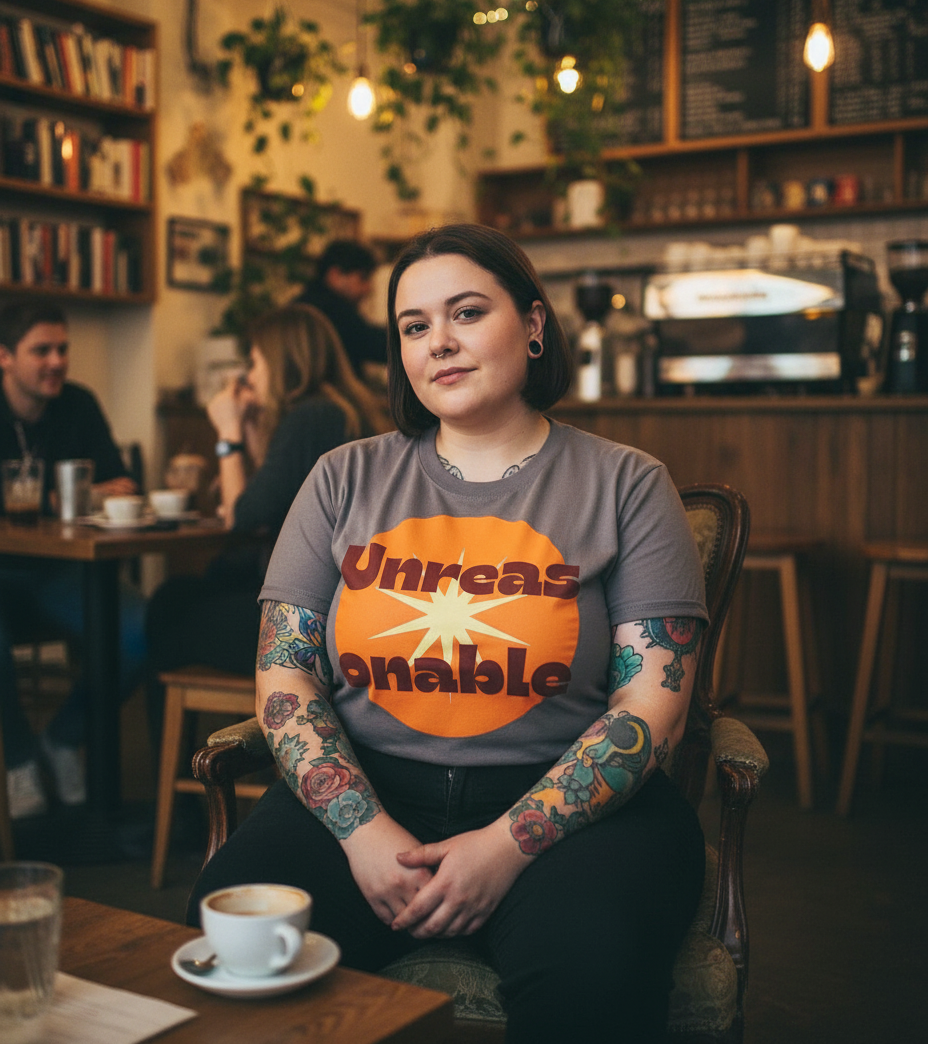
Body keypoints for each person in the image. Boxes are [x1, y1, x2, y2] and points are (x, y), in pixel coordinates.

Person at [188, 225, 707, 1043]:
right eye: (414, 326)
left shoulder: (627, 483)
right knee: (241, 934)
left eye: (466, 312)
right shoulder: (342, 477)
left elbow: (652, 703)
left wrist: (507, 845)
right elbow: (286, 679)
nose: (441, 344)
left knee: (591, 973)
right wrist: (365, 835)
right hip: (369, 790)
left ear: (534, 325)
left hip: (575, 811)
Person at [145, 304, 389, 686]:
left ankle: (177, 741)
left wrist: (228, 433)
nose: (250, 377)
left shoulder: (310, 418)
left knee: (168, 610)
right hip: (345, 603)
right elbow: (271, 496)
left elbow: (243, 517)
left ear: (282, 362)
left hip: (311, 617)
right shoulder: (343, 410)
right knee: (187, 590)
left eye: (255, 363)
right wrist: (251, 428)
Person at [0, 299, 144, 818]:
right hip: (5, 574)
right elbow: (102, 489)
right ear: (4, 357)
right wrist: (64, 500)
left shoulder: (77, 403)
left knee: (140, 631)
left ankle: (62, 740)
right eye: (41, 350)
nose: (57, 361)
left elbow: (126, 483)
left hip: (68, 571)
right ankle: (17, 761)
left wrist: (74, 498)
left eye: (62, 349)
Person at [293, 239, 387, 377]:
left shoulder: (302, 303)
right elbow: (377, 345)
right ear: (335, 275)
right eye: (363, 278)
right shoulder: (331, 309)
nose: (368, 288)